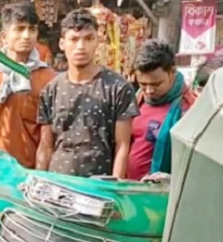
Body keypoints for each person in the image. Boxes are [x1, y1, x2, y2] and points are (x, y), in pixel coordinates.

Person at [37, 9, 139, 178]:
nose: (81, 47)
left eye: (88, 39)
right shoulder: (51, 90)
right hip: (58, 184)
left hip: (99, 185)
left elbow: (123, 146)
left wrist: (115, 188)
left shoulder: (117, 87)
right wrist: (38, 182)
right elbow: (45, 145)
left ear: (98, 41)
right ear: (62, 44)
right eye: (74, 39)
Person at [0, 2, 56, 169]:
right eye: (19, 29)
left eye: (32, 29)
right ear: (4, 36)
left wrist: (38, 178)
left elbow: (47, 140)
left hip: (30, 172)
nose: (26, 35)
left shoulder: (48, 77)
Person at [127, 40, 197, 181]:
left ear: (172, 72)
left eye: (156, 84)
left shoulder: (189, 109)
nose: (149, 90)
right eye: (143, 84)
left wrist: (171, 179)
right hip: (129, 189)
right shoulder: (136, 100)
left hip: (161, 194)